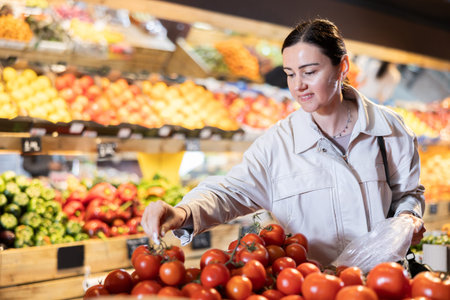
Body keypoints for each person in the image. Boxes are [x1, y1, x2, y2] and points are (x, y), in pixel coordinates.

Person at [141, 18, 426, 266]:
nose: (298, 85)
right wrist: (182, 211)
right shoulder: (279, 142)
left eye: (310, 72)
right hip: (311, 286)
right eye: (290, 74)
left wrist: (408, 218)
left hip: (382, 284)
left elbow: (409, 194)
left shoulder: (388, 129)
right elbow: (229, 192)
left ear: (342, 67)